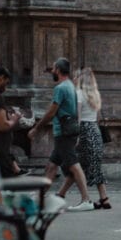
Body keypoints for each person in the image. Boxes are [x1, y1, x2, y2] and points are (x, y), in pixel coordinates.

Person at [29, 58, 94, 212]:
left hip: (63, 133)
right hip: (67, 132)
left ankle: (86, 200)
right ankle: (41, 198)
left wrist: (36, 128)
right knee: (51, 166)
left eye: (53, 68)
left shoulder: (60, 88)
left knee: (74, 165)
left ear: (58, 69)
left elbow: (51, 112)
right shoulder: (71, 85)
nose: (52, 71)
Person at [71, 68, 109, 210]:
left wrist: (77, 136)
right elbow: (98, 118)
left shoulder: (79, 94)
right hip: (95, 130)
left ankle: (84, 199)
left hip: (85, 131)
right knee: (93, 165)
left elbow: (78, 118)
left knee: (76, 165)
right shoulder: (96, 94)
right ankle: (104, 198)